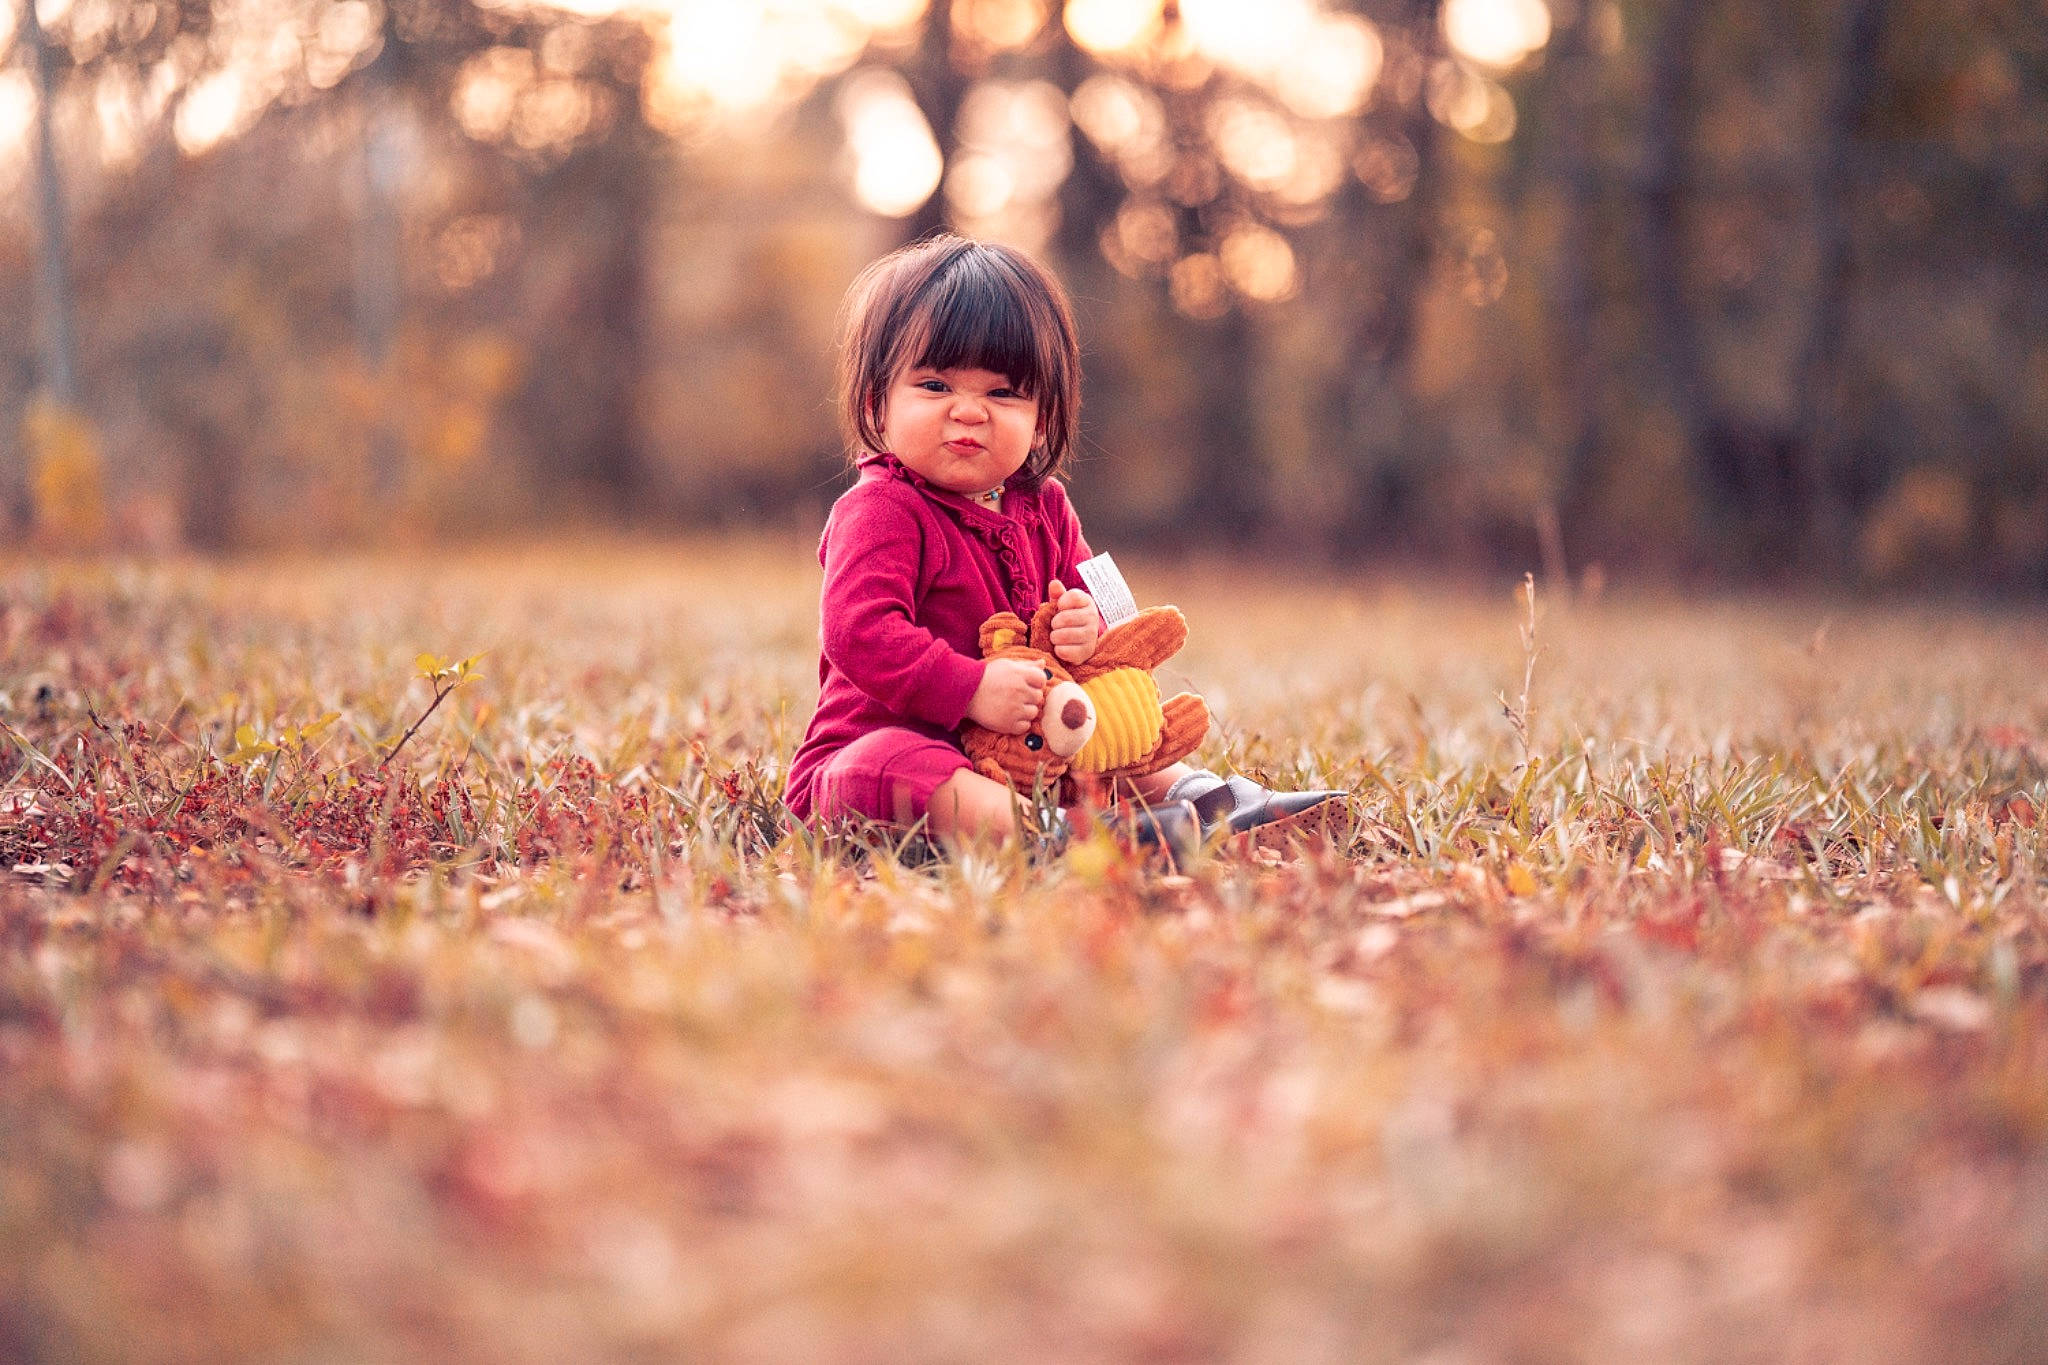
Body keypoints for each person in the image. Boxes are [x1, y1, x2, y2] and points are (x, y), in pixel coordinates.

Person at [782, 234, 1340, 852]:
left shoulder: (1045, 506)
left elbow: (1107, 607)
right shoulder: (881, 509)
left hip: (1035, 754)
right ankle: (1065, 837)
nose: (969, 412)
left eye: (1002, 392)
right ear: (877, 403)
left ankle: (1211, 801)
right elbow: (859, 633)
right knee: (883, 764)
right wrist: (971, 690)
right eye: (936, 386)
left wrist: (1087, 628)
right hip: (896, 755)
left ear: (1041, 417)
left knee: (1111, 736)